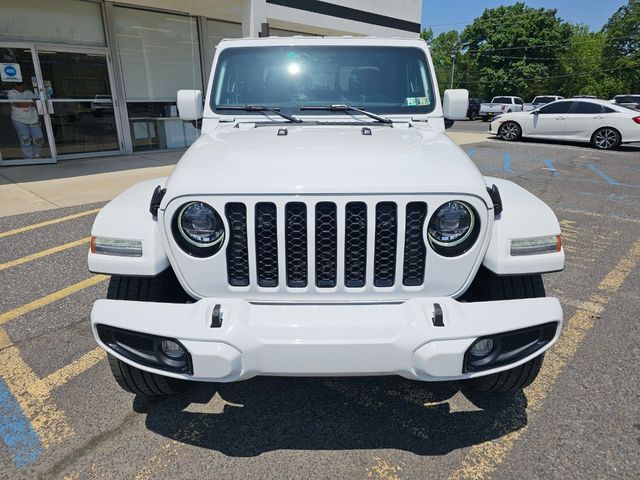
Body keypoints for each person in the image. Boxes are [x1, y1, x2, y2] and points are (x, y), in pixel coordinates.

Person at [8, 81, 44, 159]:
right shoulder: (11, 93)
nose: (21, 87)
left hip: (33, 119)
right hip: (19, 120)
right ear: (15, 86)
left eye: (23, 85)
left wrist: (25, 103)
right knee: (25, 140)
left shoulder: (29, 92)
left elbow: (34, 103)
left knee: (39, 138)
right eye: (19, 85)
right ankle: (29, 158)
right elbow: (17, 104)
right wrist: (28, 102)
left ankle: (37, 155)